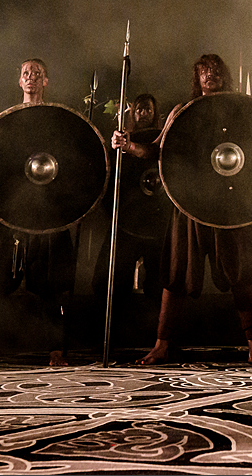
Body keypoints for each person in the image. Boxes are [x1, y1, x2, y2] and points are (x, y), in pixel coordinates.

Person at [112, 54, 252, 365]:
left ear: (224, 76)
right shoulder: (182, 111)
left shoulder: (239, 108)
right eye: (204, 71)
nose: (210, 75)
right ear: (197, 78)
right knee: (176, 275)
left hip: (230, 206)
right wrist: (128, 145)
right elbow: (156, 150)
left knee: (242, 274)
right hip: (190, 204)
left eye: (216, 70)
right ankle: (162, 345)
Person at [0, 58, 78, 368]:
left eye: (37, 73)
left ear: (46, 80)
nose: (31, 77)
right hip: (12, 210)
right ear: (19, 80)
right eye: (26, 72)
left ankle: (57, 352)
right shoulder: (8, 120)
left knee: (50, 285)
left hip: (46, 211)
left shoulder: (54, 120)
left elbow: (68, 158)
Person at [92, 94, 167, 333]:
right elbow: (109, 177)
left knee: (160, 282)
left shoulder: (164, 141)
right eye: (139, 109)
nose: (143, 114)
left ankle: (160, 335)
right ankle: (109, 332)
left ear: (155, 113)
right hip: (127, 218)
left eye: (148, 110)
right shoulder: (121, 141)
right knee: (108, 279)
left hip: (157, 221)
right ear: (132, 113)